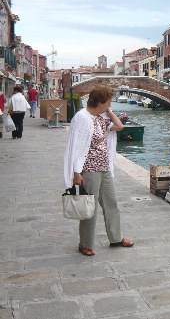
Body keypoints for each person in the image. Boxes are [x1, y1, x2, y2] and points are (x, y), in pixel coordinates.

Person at [63, 86, 134, 256]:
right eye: (108, 102)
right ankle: (85, 243)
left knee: (112, 204)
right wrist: (76, 173)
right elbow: (76, 146)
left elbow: (119, 126)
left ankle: (116, 238)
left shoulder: (100, 118)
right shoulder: (81, 118)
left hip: (104, 168)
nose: (110, 105)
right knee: (90, 207)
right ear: (100, 102)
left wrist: (108, 111)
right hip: (89, 170)